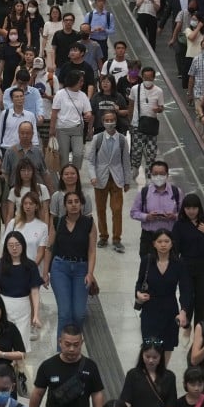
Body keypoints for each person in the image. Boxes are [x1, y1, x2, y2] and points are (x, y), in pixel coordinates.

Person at [134, 231, 192, 365]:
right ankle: (148, 373)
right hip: (150, 309)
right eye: (160, 242)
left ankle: (162, 375)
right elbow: (139, 282)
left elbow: (186, 289)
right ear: (154, 244)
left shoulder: (179, 264)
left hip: (169, 310)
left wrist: (183, 312)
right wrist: (138, 294)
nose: (163, 245)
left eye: (166, 241)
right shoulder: (147, 260)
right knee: (150, 344)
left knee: (166, 345)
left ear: (172, 244)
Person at [46, 191, 97, 339]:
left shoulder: (89, 223)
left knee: (79, 314)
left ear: (81, 204)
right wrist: (45, 273)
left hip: (81, 269)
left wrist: (90, 273)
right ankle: (61, 351)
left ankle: (74, 346)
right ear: (65, 206)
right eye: (70, 202)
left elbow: (92, 251)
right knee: (65, 313)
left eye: (76, 201)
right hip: (60, 268)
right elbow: (49, 247)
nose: (74, 205)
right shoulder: (58, 222)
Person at [171, 195, 204, 328]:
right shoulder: (179, 225)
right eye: (188, 208)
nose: (191, 211)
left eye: (194, 208)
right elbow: (175, 248)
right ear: (184, 209)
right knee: (187, 296)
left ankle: (199, 329)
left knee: (202, 299)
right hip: (186, 266)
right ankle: (186, 324)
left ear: (199, 208)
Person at [0, 230, 43, 350]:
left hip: (23, 305)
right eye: (11, 245)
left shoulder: (31, 266)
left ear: (23, 246)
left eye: (17, 245)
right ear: (6, 247)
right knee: (3, 339)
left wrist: (36, 314)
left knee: (22, 340)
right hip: (3, 304)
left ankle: (20, 365)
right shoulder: (0, 263)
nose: (14, 248)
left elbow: (34, 291)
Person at [87, 110, 131, 253]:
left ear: (116, 121)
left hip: (117, 179)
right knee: (100, 209)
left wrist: (127, 180)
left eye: (112, 120)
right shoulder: (97, 139)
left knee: (117, 209)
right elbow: (91, 160)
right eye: (107, 120)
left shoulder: (122, 140)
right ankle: (103, 236)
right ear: (103, 121)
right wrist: (93, 176)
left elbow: (126, 162)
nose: (110, 122)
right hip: (100, 178)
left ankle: (117, 239)